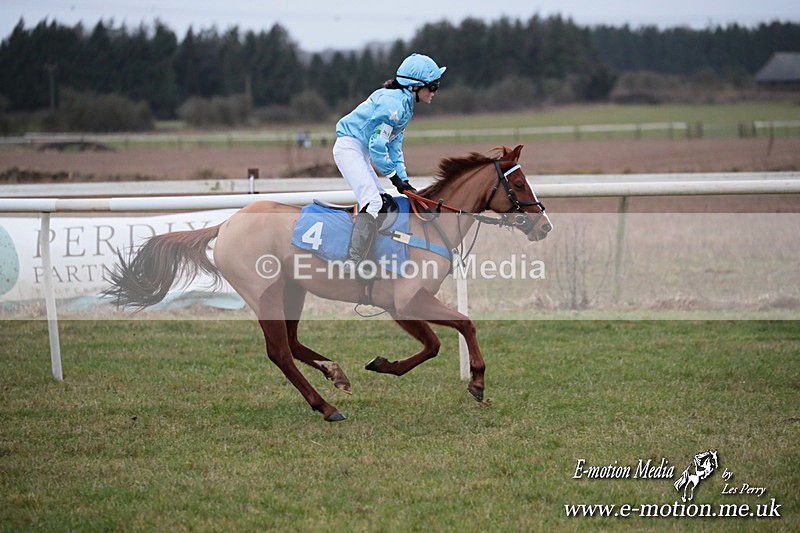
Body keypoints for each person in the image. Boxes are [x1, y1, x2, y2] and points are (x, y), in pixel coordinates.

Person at [333, 53, 446, 279]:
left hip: (360, 149)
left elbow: (394, 148)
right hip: (349, 148)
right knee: (374, 202)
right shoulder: (393, 105)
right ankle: (352, 262)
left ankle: (369, 258)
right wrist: (393, 177)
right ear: (415, 86)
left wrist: (404, 181)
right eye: (433, 86)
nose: (434, 92)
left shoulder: (405, 105)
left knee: (384, 202)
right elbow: (377, 146)